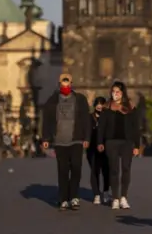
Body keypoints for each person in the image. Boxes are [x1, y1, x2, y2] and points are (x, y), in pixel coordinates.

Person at [41, 73, 91, 211]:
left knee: (76, 167)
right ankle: (63, 198)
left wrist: (87, 138)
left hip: (76, 139)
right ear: (59, 84)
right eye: (62, 83)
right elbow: (47, 120)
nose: (65, 86)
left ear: (71, 83)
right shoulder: (52, 101)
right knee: (63, 169)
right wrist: (46, 138)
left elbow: (86, 119)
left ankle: (74, 196)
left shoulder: (80, 99)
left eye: (67, 83)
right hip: (59, 140)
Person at [97, 81, 140, 210]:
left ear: (122, 93)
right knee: (114, 170)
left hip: (127, 142)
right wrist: (100, 142)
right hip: (111, 142)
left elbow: (135, 127)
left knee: (126, 168)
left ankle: (124, 197)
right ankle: (115, 197)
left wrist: (137, 145)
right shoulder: (107, 107)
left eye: (118, 92)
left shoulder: (130, 107)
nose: (115, 94)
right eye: (113, 91)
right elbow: (101, 127)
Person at [88, 96, 111, 205]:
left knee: (106, 171)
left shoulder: (107, 117)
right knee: (94, 171)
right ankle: (96, 194)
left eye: (101, 103)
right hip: (92, 148)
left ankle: (106, 191)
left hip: (105, 147)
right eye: (97, 103)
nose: (99, 106)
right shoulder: (89, 117)